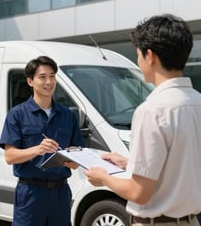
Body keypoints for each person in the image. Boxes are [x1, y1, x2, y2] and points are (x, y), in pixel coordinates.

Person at [84, 14, 201, 226]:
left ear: (150, 56)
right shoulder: (197, 103)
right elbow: (182, 166)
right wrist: (130, 164)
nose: (138, 61)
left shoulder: (152, 110)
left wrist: (104, 178)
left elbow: (139, 193)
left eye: (138, 54)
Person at [0, 56, 84, 226]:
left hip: (61, 193)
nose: (49, 82)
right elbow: (10, 156)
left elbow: (77, 158)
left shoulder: (67, 115)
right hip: (31, 193)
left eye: (52, 76)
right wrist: (38, 150)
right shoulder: (17, 114)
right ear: (30, 81)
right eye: (42, 77)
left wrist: (73, 160)